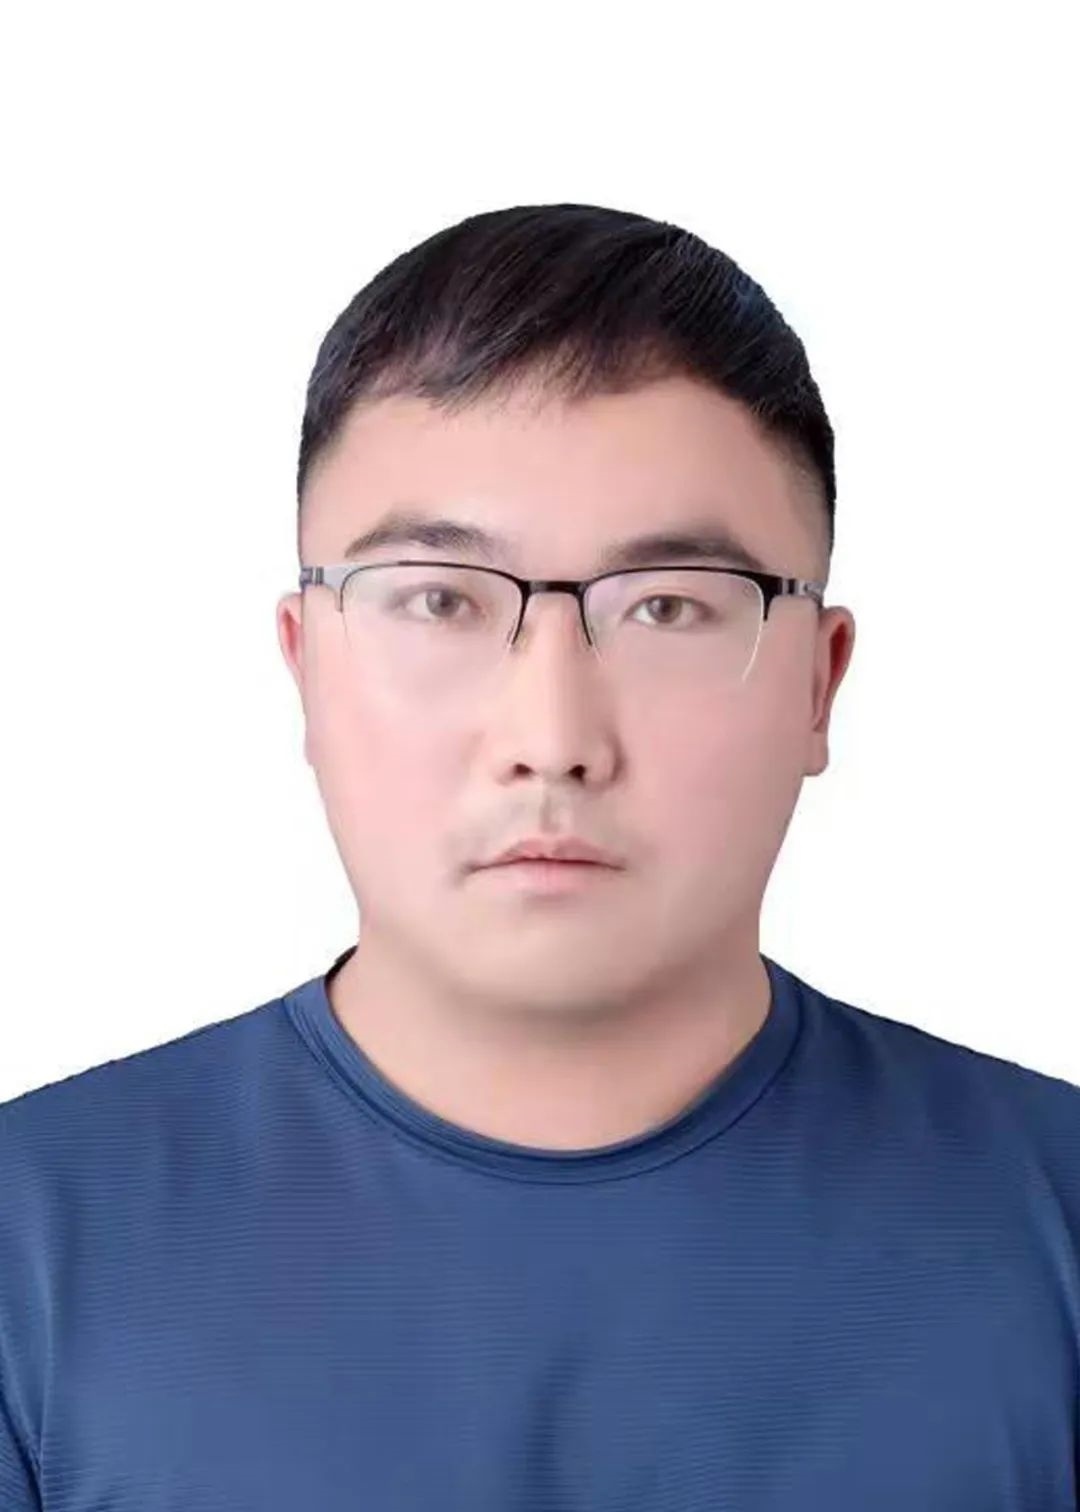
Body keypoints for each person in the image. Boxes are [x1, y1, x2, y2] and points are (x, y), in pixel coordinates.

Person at [1, 203, 1077, 1512]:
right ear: (305, 665)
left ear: (819, 683)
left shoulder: (1054, 1224)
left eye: (668, 607)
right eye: (439, 600)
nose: (554, 740)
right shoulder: (29, 1247)